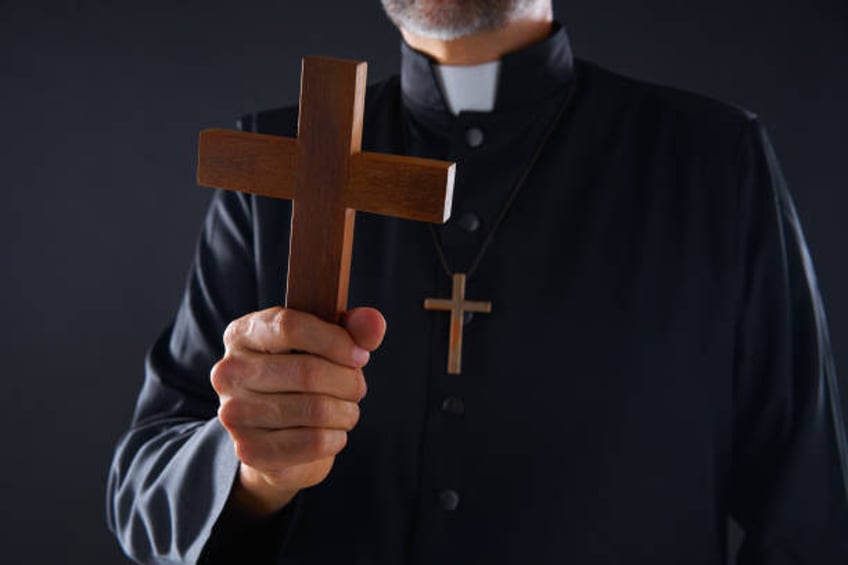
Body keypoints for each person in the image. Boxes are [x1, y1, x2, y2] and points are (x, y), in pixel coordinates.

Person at [107, 0, 848, 563]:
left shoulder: (714, 162)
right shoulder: (283, 164)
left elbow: (809, 516)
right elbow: (140, 489)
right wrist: (252, 469)